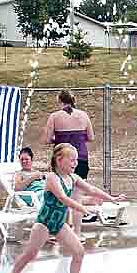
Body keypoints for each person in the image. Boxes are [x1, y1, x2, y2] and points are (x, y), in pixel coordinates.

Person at [4, 143, 126, 273]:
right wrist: (81, 208)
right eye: (72, 160)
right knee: (30, 254)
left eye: (76, 160)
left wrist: (111, 198)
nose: (75, 163)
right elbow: (62, 198)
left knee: (79, 252)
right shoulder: (52, 178)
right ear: (59, 160)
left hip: (59, 223)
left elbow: (92, 189)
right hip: (44, 223)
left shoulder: (73, 178)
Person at [41, 89, 95, 234]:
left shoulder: (54, 116)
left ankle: (61, 230)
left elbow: (46, 139)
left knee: (61, 197)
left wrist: (58, 139)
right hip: (80, 158)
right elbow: (91, 137)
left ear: (60, 101)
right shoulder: (83, 115)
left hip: (62, 160)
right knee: (77, 198)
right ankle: (77, 233)